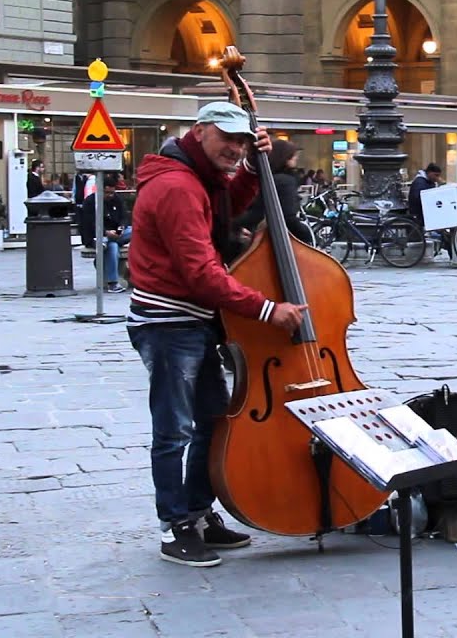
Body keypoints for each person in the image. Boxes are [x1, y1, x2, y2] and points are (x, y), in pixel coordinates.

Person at [126, 101, 307, 568]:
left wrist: (250, 167)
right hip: (168, 322)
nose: (235, 147)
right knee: (174, 429)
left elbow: (230, 202)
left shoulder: (199, 175)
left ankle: (200, 512)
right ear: (201, 131)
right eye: (228, 138)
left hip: (195, 319)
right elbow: (202, 274)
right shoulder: (176, 186)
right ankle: (175, 527)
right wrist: (267, 308)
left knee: (213, 420)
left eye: (243, 140)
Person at [233, 139, 312, 252]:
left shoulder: (262, 178)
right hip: (273, 243)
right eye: (293, 156)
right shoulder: (286, 181)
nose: (296, 158)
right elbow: (288, 218)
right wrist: (306, 233)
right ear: (285, 158)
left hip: (252, 238)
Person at [81, 174, 132, 293]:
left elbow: (124, 217)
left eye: (112, 192)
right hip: (96, 235)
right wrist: (105, 232)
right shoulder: (90, 202)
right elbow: (89, 224)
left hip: (116, 234)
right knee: (113, 247)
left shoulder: (117, 199)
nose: (110, 195)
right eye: (107, 192)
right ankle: (113, 283)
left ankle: (106, 240)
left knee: (134, 230)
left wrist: (120, 229)